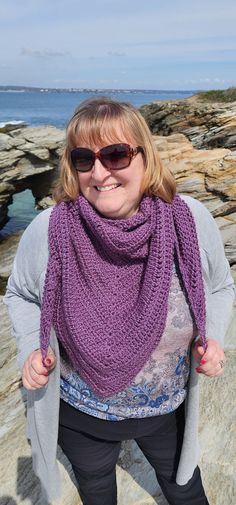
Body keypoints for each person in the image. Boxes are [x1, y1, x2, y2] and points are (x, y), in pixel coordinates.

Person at [4, 97, 234, 505]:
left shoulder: (190, 222)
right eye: (83, 159)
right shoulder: (49, 230)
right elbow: (20, 293)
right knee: (95, 488)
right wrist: (30, 349)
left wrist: (213, 338)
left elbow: (218, 286)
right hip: (80, 414)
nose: (100, 172)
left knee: (186, 491)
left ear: (145, 157)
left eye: (116, 154)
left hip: (168, 411)